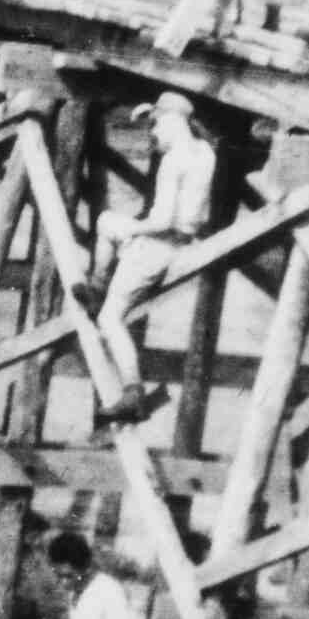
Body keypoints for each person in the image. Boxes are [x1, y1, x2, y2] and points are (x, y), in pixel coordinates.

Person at [90, 94, 216, 423]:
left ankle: (133, 392)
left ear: (174, 120)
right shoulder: (205, 153)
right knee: (114, 226)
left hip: (158, 249)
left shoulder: (173, 161)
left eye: (156, 123)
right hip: (188, 246)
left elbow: (161, 221)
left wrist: (133, 228)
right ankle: (97, 287)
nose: (153, 132)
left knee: (109, 318)